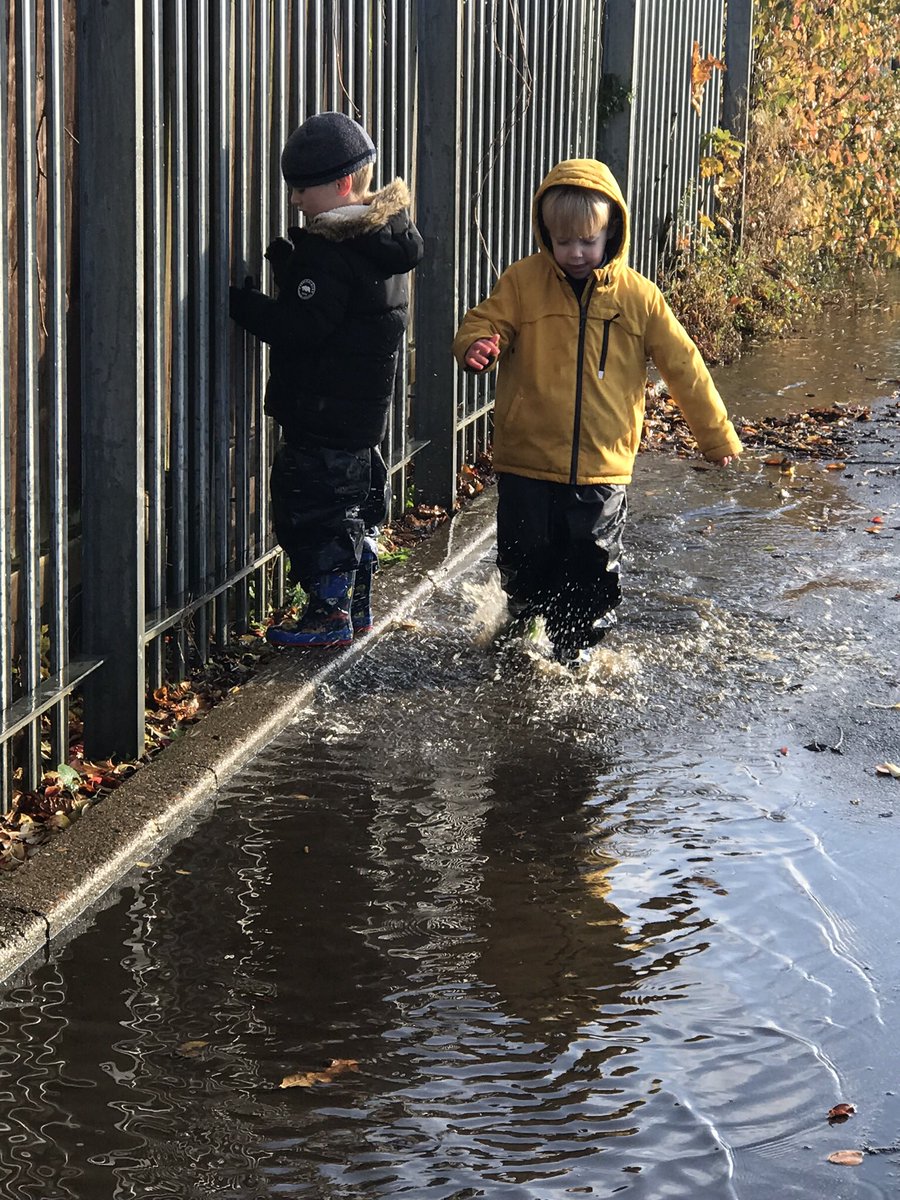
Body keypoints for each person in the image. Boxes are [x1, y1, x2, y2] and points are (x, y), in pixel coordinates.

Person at [453, 158, 743, 666]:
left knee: (592, 563)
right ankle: (521, 617)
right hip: (527, 458)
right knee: (526, 555)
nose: (576, 253)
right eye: (564, 241)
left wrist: (715, 436)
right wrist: (477, 343)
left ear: (612, 231)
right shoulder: (523, 282)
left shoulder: (639, 298)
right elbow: (486, 319)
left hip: (602, 464)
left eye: (588, 240)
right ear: (547, 234)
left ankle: (576, 652)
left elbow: (684, 365)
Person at [230, 111, 423, 647]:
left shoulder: (331, 251)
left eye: (301, 189)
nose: (294, 200)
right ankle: (354, 604)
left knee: (308, 507)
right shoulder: (382, 242)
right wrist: (295, 273)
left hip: (319, 412)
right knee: (347, 507)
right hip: (360, 416)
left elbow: (303, 327)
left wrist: (248, 307)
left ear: (340, 185)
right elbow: (346, 314)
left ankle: (327, 614)